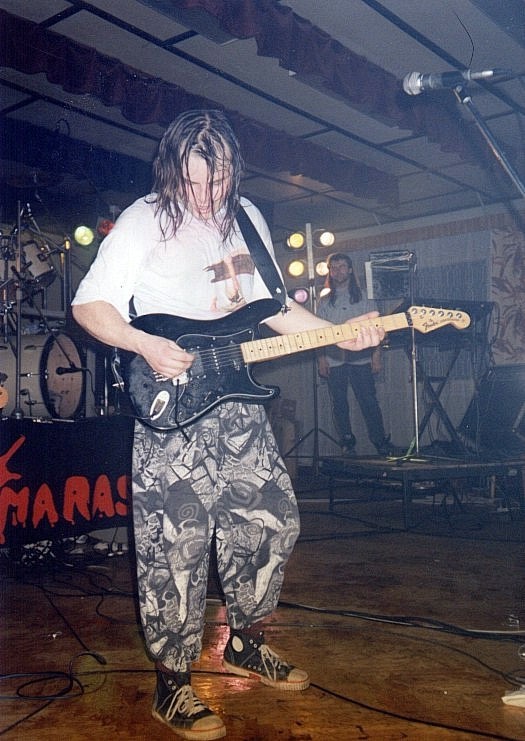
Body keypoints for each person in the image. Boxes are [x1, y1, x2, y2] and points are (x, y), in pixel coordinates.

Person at [72, 110, 384, 740]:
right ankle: (172, 683)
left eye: (215, 181)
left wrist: (341, 336)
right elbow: (88, 305)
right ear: (172, 170)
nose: (204, 195)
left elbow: (273, 311)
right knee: (175, 546)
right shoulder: (144, 219)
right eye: (191, 181)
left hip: (239, 403)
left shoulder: (248, 218)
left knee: (272, 521)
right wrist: (143, 344)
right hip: (172, 403)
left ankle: (245, 642)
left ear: (233, 172)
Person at [317, 252, 394, 457]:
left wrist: (376, 357)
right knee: (339, 403)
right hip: (334, 360)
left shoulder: (364, 297)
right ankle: (347, 444)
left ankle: (380, 442)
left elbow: (377, 328)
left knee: (369, 401)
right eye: (334, 268)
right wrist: (321, 360)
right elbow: (318, 334)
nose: (338, 271)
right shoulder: (324, 301)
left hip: (361, 359)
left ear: (350, 270)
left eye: (342, 266)